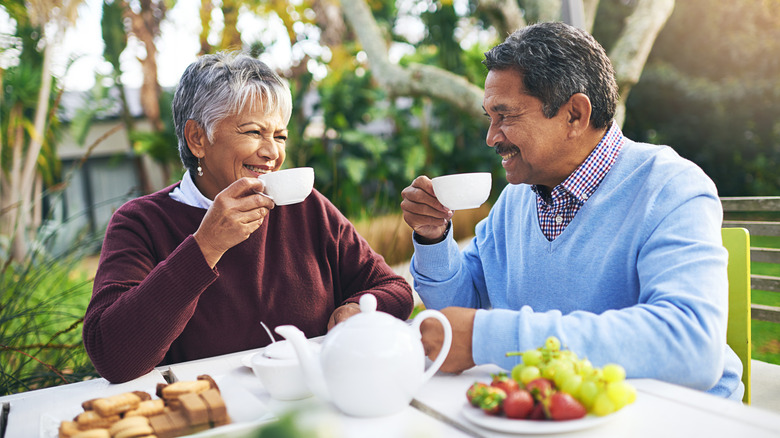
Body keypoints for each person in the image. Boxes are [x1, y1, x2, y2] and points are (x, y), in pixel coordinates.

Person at [400, 22, 742, 400]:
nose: (492, 137)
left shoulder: (670, 186)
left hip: (676, 416)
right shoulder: (515, 201)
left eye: (506, 116)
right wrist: (432, 237)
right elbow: (459, 313)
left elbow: (691, 346)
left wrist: (490, 338)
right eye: (490, 118)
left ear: (575, 115)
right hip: (555, 411)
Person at [84, 51, 413, 383]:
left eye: (280, 135)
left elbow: (394, 288)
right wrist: (206, 246)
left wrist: (356, 311)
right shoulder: (141, 223)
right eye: (254, 132)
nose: (272, 152)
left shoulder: (304, 205)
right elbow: (112, 356)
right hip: (213, 420)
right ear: (198, 138)